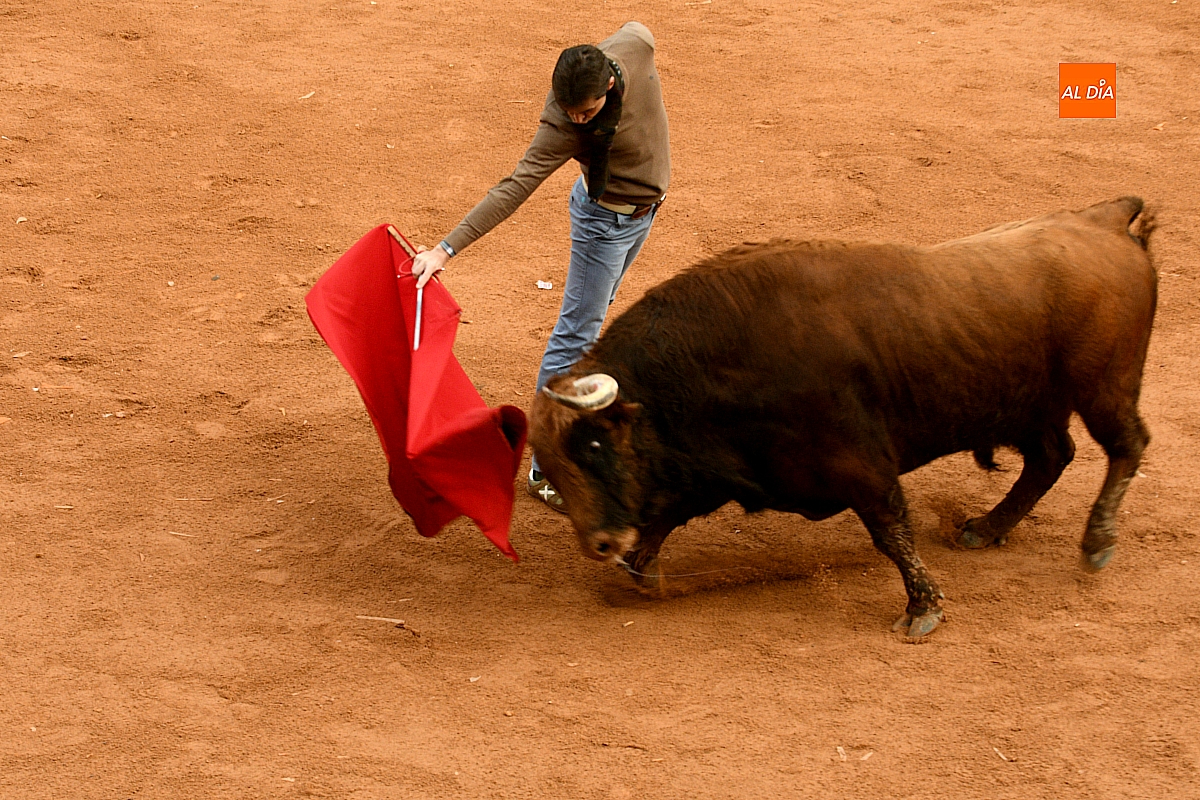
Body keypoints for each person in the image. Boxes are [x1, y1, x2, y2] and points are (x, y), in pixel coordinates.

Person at [411, 21, 670, 512]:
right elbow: (515, 186)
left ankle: (581, 426)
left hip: (642, 216)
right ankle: (546, 467)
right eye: (569, 110)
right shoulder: (562, 124)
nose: (576, 118)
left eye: (586, 111)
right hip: (603, 227)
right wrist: (445, 250)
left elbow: (640, 30)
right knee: (577, 334)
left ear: (608, 81)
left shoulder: (633, 48)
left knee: (593, 324)